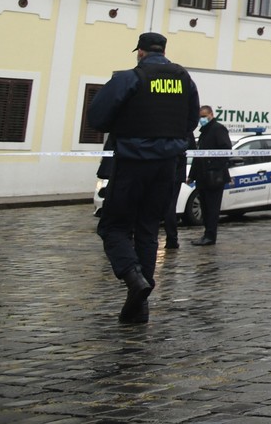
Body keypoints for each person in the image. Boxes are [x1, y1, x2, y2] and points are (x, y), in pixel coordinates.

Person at [85, 32, 199, 324]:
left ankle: (134, 279)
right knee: (148, 230)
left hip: (133, 163)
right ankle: (139, 308)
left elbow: (97, 118)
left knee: (113, 228)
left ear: (140, 53)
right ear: (163, 50)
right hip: (167, 166)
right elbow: (190, 123)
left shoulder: (129, 78)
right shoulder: (184, 79)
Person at [190, 105, 232, 245]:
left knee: (212, 208)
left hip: (214, 177)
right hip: (202, 177)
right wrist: (192, 175)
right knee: (205, 208)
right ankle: (206, 234)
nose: (201, 119)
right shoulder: (204, 132)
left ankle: (210, 236)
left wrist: (213, 167)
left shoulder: (218, 129)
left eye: (203, 116)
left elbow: (225, 150)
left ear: (211, 115)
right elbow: (197, 156)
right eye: (200, 117)